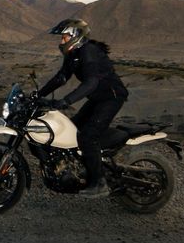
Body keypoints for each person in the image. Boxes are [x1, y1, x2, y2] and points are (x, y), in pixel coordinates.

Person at [36, 18, 129, 198]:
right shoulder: (74, 54)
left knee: (88, 136)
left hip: (111, 98)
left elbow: (91, 83)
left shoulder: (88, 51)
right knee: (73, 129)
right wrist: (38, 95)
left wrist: (66, 101)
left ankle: (99, 183)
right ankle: (81, 167)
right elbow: (61, 77)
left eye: (64, 37)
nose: (61, 41)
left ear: (75, 36)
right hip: (97, 99)